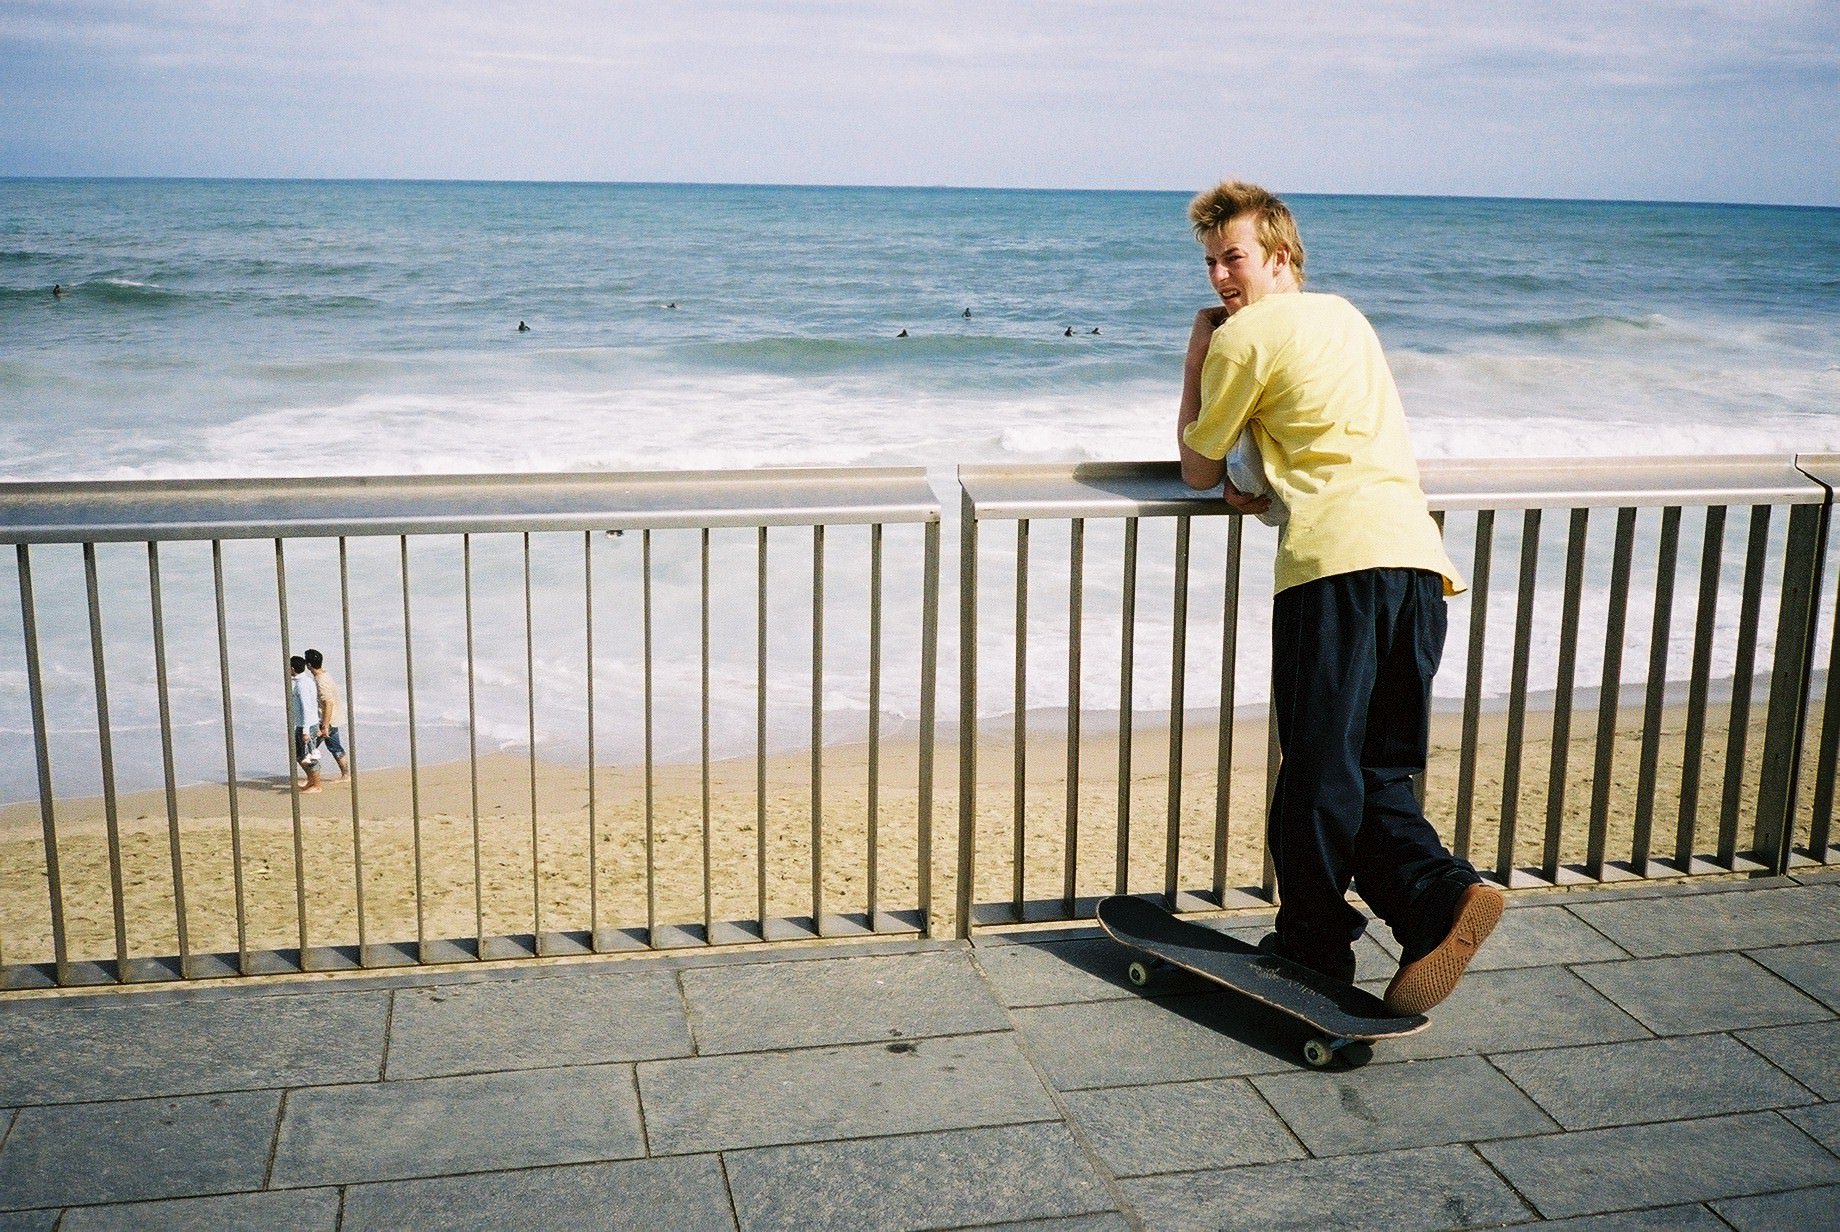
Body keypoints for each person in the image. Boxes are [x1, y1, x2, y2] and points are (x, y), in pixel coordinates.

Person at [1175, 179, 1503, 1015]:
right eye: (1210, 262)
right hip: (1417, 564)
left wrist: (1198, 350)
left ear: (1280, 257)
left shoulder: (1243, 335)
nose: (1219, 277)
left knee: (1319, 770)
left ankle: (1313, 944)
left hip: (1334, 569)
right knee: (1381, 771)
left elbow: (1199, 466)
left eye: (1234, 257)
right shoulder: (1347, 317)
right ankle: (1439, 896)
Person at [303, 648, 350, 781]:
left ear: (309, 665)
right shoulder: (325, 675)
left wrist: (324, 726)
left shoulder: (320, 680)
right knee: (335, 747)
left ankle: (312, 778)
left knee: (306, 749)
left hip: (325, 721)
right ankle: (345, 774)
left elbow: (328, 703)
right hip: (333, 719)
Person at [288, 655, 322, 794]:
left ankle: (317, 785)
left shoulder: (302, 685)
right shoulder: (305, 680)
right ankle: (311, 781)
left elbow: (307, 708)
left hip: (306, 725)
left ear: (292, 668)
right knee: (300, 755)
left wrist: (306, 731)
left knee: (308, 756)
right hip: (303, 724)